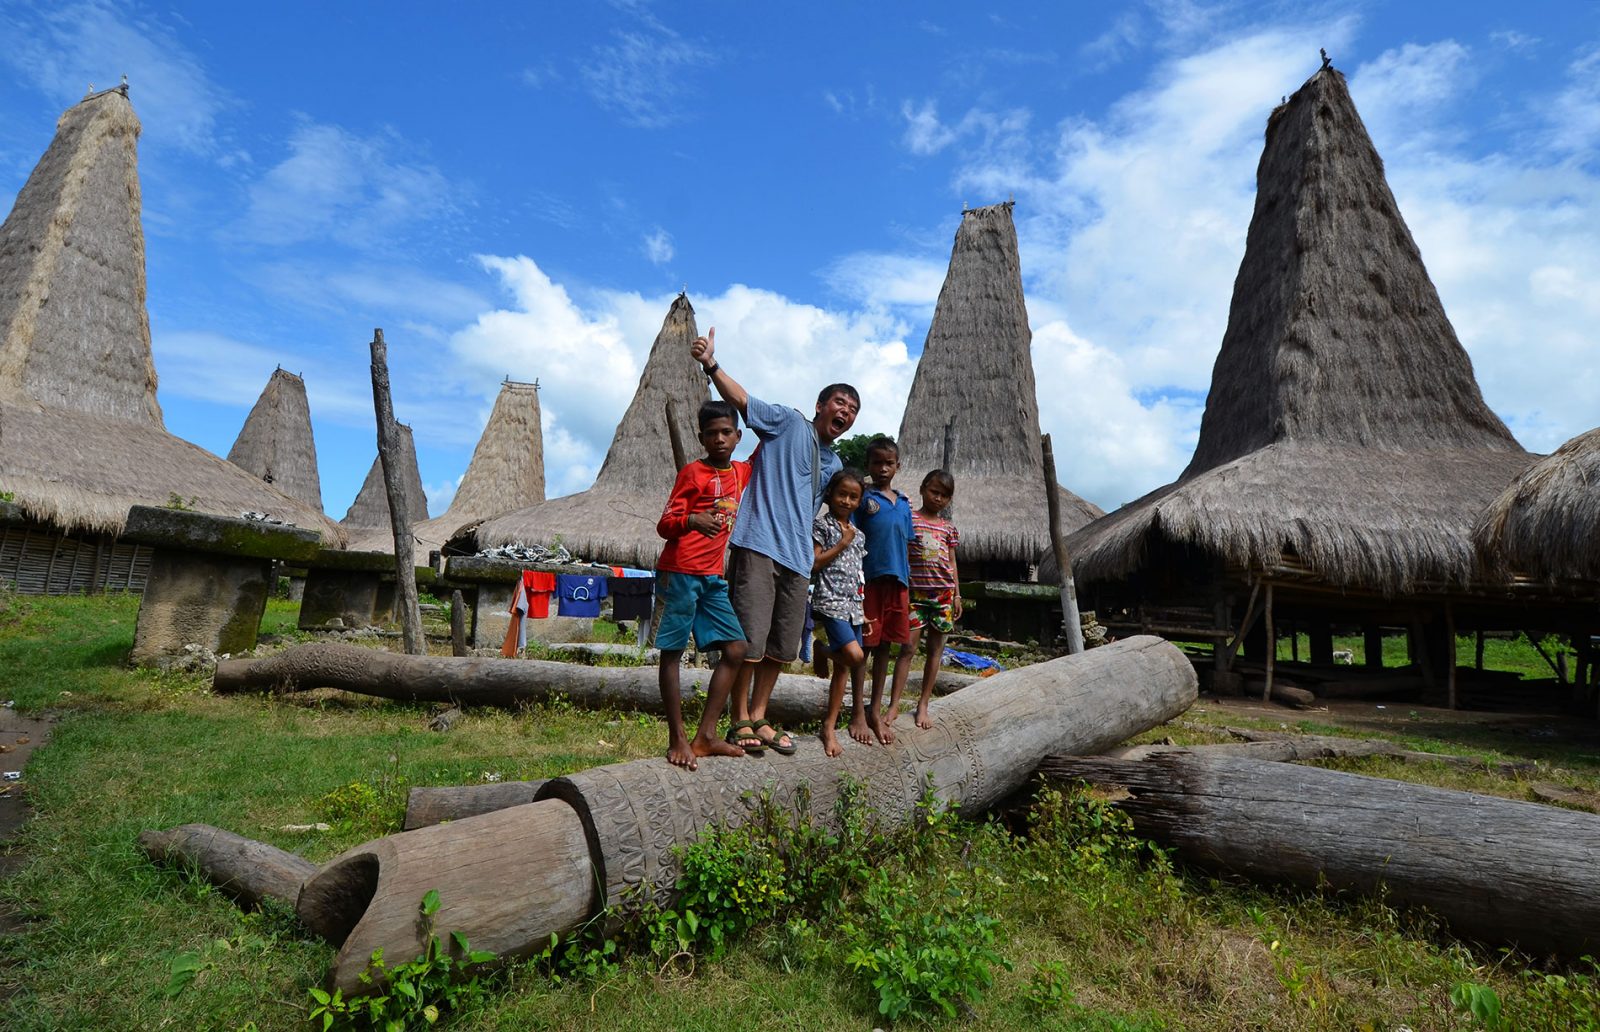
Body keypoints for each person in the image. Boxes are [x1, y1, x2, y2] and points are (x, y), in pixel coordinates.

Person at [690, 327, 859, 755]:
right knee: (749, 638)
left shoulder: (835, 461)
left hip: (798, 558)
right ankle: (739, 719)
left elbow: (835, 502)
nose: (846, 412)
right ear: (821, 406)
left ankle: (760, 714)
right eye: (840, 402)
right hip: (760, 541)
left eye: (853, 409)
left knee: (782, 646)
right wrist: (711, 364)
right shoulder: (787, 422)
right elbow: (742, 400)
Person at [654, 400, 752, 769]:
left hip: (713, 578)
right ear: (701, 438)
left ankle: (706, 735)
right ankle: (677, 736)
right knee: (672, 652)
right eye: (711, 434)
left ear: (738, 436)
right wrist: (692, 520)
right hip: (680, 572)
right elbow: (665, 524)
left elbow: (769, 444)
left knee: (737, 648)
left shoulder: (741, 473)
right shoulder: (692, 473)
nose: (720, 439)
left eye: (726, 432)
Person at [853, 436, 913, 744]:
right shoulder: (863, 499)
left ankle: (875, 710)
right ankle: (858, 713)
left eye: (888, 463)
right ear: (869, 466)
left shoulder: (903, 504)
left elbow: (907, 544)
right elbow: (850, 535)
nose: (883, 468)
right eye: (877, 463)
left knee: (887, 647)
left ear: (898, 466)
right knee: (864, 648)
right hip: (870, 582)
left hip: (899, 584)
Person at [894, 469, 962, 730]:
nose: (938, 499)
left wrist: (957, 594)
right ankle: (894, 705)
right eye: (934, 492)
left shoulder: (948, 529)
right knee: (907, 649)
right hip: (915, 594)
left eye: (945, 496)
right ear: (923, 489)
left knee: (935, 651)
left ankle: (923, 704)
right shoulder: (910, 519)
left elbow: (952, 562)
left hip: (943, 595)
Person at [811, 468, 869, 757]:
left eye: (853, 497)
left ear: (859, 501)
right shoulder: (823, 526)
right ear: (831, 495)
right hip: (831, 602)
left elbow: (858, 573)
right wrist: (841, 543)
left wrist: (863, 610)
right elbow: (815, 563)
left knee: (844, 667)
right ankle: (821, 649)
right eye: (842, 494)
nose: (846, 501)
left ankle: (829, 726)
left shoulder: (859, 535)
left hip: (853, 606)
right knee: (855, 657)